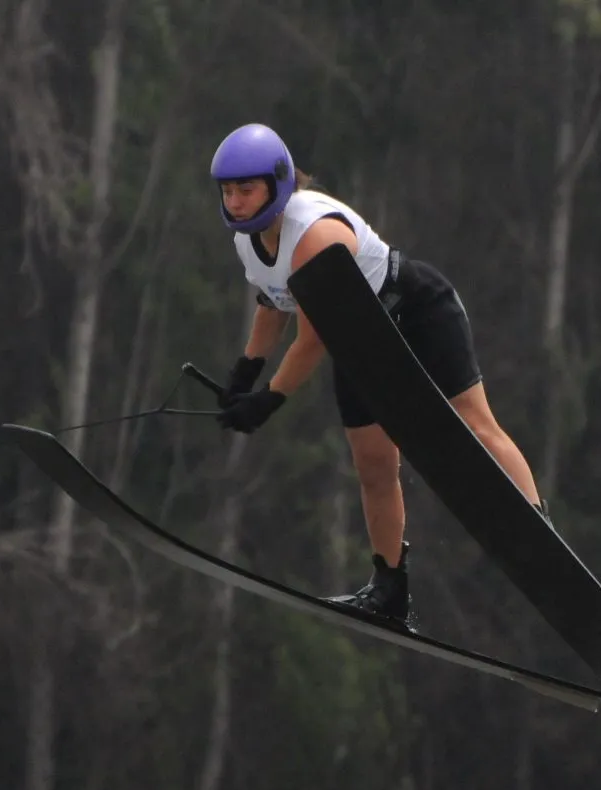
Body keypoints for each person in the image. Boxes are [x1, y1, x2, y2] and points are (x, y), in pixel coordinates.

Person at [210, 123, 547, 627]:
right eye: (228, 191)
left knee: (475, 426)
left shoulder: (314, 232)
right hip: (362, 343)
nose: (235, 202)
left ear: (278, 182)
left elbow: (314, 336)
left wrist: (270, 398)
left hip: (415, 312)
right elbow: (272, 304)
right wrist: (244, 373)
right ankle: (389, 588)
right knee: (373, 464)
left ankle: (540, 533)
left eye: (246, 189)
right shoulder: (250, 240)